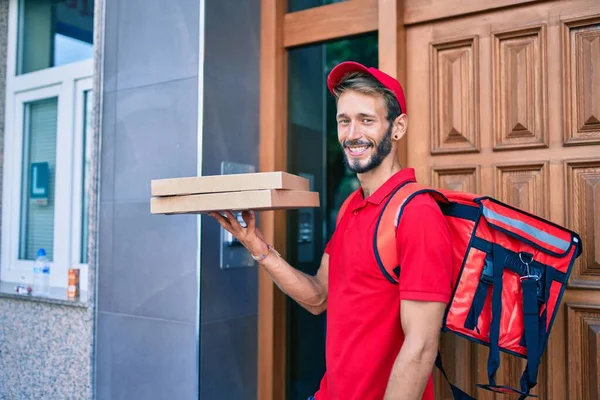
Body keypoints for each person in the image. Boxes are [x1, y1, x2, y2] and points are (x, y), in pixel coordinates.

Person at [208, 61, 454, 400]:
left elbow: (421, 347)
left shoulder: (416, 213)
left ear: (397, 128)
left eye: (366, 120)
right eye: (344, 121)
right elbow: (319, 297)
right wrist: (258, 247)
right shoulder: (351, 205)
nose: (352, 134)